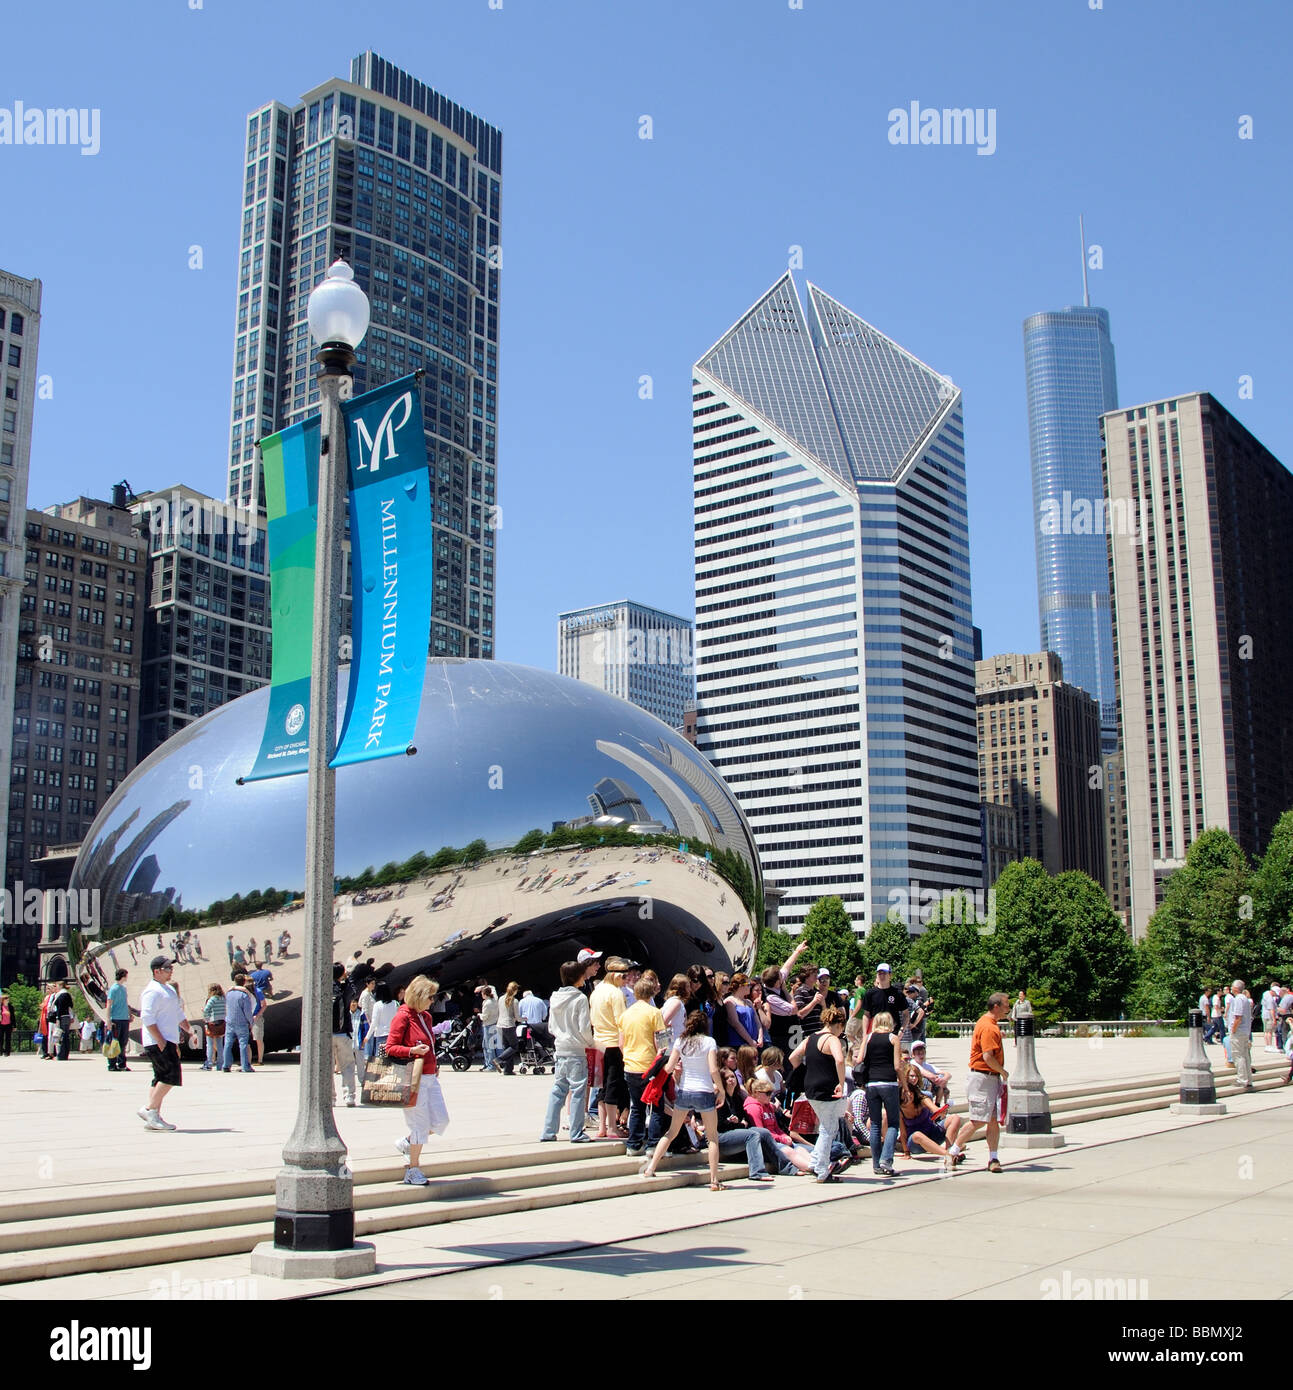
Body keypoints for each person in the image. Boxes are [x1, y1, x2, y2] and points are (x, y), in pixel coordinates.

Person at [641, 1010, 725, 1190]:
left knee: (671, 1132)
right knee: (712, 1138)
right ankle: (714, 1180)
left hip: (685, 1091)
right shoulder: (709, 1042)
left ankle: (651, 1168)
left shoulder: (680, 1041)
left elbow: (669, 1067)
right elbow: (713, 1069)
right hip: (704, 1091)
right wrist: (721, 1089)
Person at [386, 975, 450, 1185]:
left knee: (441, 1120)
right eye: (430, 997)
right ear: (420, 996)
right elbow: (390, 1048)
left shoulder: (426, 1017)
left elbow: (430, 1044)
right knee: (420, 1126)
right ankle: (413, 1169)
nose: (433, 1001)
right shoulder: (403, 1016)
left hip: (430, 1076)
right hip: (414, 1077)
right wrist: (412, 1050)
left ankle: (407, 1142)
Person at [945, 992, 1011, 1172]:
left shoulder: (990, 1024)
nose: (1008, 1008)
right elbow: (987, 1057)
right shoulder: (989, 1027)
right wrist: (1003, 1072)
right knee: (978, 1120)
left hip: (988, 1078)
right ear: (996, 1007)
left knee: (992, 1120)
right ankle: (953, 1151)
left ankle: (993, 1158)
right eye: (1006, 1005)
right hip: (983, 1078)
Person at [788, 1004, 850, 1183]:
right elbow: (839, 1060)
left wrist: (807, 1069)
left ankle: (816, 1162)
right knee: (829, 1129)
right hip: (827, 1087)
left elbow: (793, 1057)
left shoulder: (810, 1038)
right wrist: (841, 1082)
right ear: (838, 1025)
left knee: (826, 1126)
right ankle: (822, 1170)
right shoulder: (832, 1039)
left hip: (811, 1087)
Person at [138, 956, 198, 1130]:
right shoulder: (152, 991)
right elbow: (147, 1017)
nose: (171, 971)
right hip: (157, 1041)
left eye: (171, 968)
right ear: (156, 971)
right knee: (171, 1076)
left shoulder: (168, 990)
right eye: (167, 968)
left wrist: (189, 1030)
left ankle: (154, 1117)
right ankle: (149, 1109)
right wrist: (160, 1040)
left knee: (159, 1079)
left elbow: (178, 1014)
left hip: (168, 1040)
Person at [540, 961, 595, 1144]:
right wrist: (590, 1043)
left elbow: (551, 1026)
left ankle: (548, 1131)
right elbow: (584, 1028)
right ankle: (576, 1132)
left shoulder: (554, 997)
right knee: (578, 1091)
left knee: (558, 1090)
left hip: (560, 1048)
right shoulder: (580, 999)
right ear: (578, 977)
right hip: (576, 1050)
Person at [620, 976, 667, 1156]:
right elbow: (661, 1041)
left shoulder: (626, 1014)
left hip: (631, 1065)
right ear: (651, 992)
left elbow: (621, 1042)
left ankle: (633, 1144)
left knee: (637, 1107)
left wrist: (628, 1057)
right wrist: (662, 1059)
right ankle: (653, 1144)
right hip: (650, 1065)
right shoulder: (654, 1013)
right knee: (655, 1106)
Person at [857, 1008, 904, 1176]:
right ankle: (886, 1159)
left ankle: (876, 1164)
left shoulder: (868, 1038)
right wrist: (904, 1084)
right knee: (892, 1124)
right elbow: (898, 1066)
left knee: (875, 1125)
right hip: (889, 1082)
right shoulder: (893, 1038)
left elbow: (859, 1059)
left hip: (871, 1084)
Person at [590, 957, 631, 1138]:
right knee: (613, 1085)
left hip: (598, 1042)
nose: (625, 981)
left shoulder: (596, 991)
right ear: (616, 976)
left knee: (602, 1086)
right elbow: (621, 1022)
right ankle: (612, 1128)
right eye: (624, 977)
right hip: (613, 1044)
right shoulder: (616, 993)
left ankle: (603, 1128)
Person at [743, 1077, 815, 1173]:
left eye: (771, 1093)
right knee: (789, 1151)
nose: (770, 1096)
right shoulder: (753, 1108)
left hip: (777, 1140)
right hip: (767, 1145)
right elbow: (762, 1133)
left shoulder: (768, 1106)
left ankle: (818, 1165)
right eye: (767, 1093)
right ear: (756, 1093)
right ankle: (813, 1168)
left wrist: (784, 1136)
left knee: (800, 1149)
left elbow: (776, 1128)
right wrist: (781, 1139)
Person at [898, 1062, 962, 1164]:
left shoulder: (923, 1098)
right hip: (916, 1143)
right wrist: (906, 1153)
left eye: (909, 1092)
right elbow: (903, 1133)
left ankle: (950, 1154)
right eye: (904, 1094)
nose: (908, 1096)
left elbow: (936, 1110)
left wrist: (942, 1111)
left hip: (932, 1133)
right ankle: (948, 1155)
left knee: (955, 1118)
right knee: (917, 1135)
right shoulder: (900, 1109)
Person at [331, 962, 358, 1105]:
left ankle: (330, 1097)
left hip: (326, 1034)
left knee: (326, 1067)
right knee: (347, 1065)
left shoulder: (324, 988)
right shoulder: (344, 990)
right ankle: (349, 1096)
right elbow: (354, 990)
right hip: (343, 1033)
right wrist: (349, 977)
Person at [861, 965, 909, 1041]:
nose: (882, 976)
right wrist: (864, 1034)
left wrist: (902, 1030)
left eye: (884, 973)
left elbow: (906, 1014)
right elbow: (866, 1015)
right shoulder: (870, 993)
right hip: (875, 1032)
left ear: (890, 975)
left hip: (893, 1032)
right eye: (880, 973)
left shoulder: (897, 993)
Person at [222, 973, 257, 1073]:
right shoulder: (244, 995)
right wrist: (251, 1022)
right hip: (241, 1023)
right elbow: (247, 1011)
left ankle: (226, 1065)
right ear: (244, 982)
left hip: (230, 1022)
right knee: (243, 1044)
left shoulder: (228, 994)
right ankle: (245, 1066)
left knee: (228, 1043)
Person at [723, 973, 763, 1050]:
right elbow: (735, 1024)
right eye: (748, 984)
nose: (749, 987)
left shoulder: (749, 1002)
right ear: (740, 986)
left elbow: (757, 1021)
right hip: (739, 1044)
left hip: (754, 1043)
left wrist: (760, 1037)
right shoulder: (730, 1001)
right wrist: (750, 1041)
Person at [1227, 979, 1254, 1090]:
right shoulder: (1245, 999)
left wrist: (1233, 1030)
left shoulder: (1238, 999)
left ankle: (1242, 1079)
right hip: (1245, 1031)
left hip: (1238, 1032)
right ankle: (1248, 1079)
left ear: (1236, 988)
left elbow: (1238, 1016)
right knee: (1245, 1055)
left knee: (1238, 1055)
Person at [493, 981, 523, 1076]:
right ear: (515, 990)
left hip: (500, 1025)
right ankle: (499, 1059)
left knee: (507, 1047)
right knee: (514, 1046)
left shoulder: (501, 998)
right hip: (509, 1025)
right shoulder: (514, 1001)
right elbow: (517, 1017)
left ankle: (508, 1069)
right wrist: (524, 1019)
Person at [106, 968, 131, 1072]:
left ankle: (122, 1064)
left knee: (123, 1042)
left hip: (124, 1018)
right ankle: (112, 1064)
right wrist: (108, 1020)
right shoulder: (113, 989)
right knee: (114, 1042)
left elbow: (125, 1003)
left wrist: (129, 1014)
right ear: (123, 976)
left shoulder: (123, 988)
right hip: (116, 1019)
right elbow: (109, 1004)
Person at [910, 1039, 949, 1104]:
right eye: (918, 1053)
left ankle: (938, 1105)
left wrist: (944, 1079)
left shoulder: (926, 1065)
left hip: (927, 1087)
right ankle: (929, 1107)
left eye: (923, 1052)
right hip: (916, 1088)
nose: (921, 1055)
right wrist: (939, 1079)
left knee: (944, 1085)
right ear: (913, 1055)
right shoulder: (913, 1064)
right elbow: (929, 1076)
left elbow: (947, 1074)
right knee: (927, 1081)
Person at [476, 983, 501, 1071]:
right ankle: (499, 1063)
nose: (481, 995)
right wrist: (482, 987)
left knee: (488, 1046)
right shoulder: (495, 999)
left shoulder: (487, 1003)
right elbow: (493, 987)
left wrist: (479, 1015)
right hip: (496, 1023)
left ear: (485, 994)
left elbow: (485, 1017)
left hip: (488, 1025)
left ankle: (491, 1065)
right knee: (497, 1045)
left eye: (482, 993)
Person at [201, 983, 226, 1070]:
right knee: (220, 1044)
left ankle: (209, 1063)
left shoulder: (212, 999)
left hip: (212, 1023)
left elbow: (206, 1010)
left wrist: (206, 1018)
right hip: (222, 1023)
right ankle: (220, 1064)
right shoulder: (223, 999)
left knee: (210, 1044)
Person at [50, 982, 75, 1061]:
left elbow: (60, 1008)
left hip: (62, 1017)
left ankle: (62, 1054)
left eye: (56, 985)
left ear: (60, 986)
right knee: (64, 1036)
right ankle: (63, 1054)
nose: (55, 987)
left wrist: (57, 1017)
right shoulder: (65, 994)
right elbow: (71, 1005)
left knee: (62, 1036)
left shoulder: (62, 995)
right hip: (66, 1016)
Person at [0, 990, 12, 1057]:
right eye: (6, 999)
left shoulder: (10, 1007)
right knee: (1, 1039)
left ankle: (7, 1052)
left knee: (8, 1039)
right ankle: (1, 1051)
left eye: (8, 999)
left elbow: (13, 1017)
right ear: (3, 1000)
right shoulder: (0, 1007)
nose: (8, 1000)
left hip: (8, 1025)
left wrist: (14, 1026)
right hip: (1, 1025)